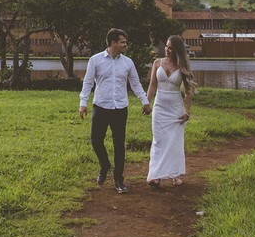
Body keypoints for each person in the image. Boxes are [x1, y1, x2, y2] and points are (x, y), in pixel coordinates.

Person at [78, 28, 150, 194]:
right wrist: (83, 103)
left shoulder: (128, 63)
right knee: (96, 140)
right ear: (113, 43)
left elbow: (135, 83)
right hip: (101, 106)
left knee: (119, 145)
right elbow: (88, 82)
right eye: (122, 42)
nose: (125, 44)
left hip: (120, 108)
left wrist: (145, 101)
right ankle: (105, 165)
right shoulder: (95, 60)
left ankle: (119, 180)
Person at [145, 34, 197, 188]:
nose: (167, 50)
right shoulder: (157, 63)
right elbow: (153, 85)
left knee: (174, 143)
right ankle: (156, 176)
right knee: (158, 141)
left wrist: (188, 111)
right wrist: (146, 103)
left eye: (171, 49)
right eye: (167, 47)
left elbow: (188, 92)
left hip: (175, 108)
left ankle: (175, 175)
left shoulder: (182, 67)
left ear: (177, 51)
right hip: (159, 107)